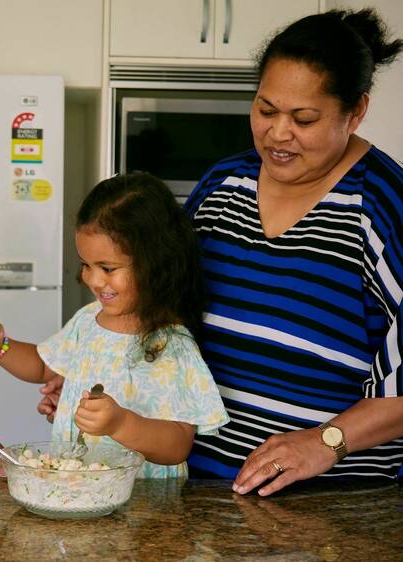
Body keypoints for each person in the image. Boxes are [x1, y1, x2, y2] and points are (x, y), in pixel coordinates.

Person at [41, 8, 403, 496]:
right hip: (195, 492)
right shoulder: (221, 187)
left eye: (304, 118)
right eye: (266, 109)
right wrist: (106, 379)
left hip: (333, 503)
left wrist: (326, 441)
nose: (277, 132)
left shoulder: (384, 207)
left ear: (355, 111)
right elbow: (163, 309)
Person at [0, 173, 228, 478]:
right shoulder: (89, 320)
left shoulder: (171, 344)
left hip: (146, 507)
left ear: (155, 263)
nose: (93, 280)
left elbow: (178, 444)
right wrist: (1, 348)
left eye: (107, 268)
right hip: (80, 492)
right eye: (86, 265)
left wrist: (120, 423)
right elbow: (45, 366)